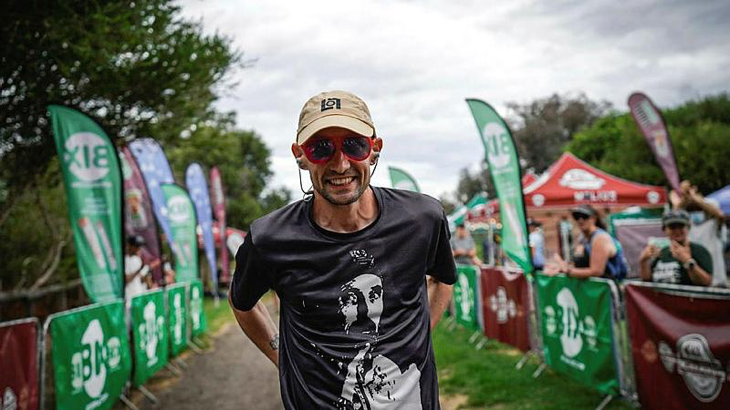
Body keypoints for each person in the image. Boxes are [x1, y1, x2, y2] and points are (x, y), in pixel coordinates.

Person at [228, 90, 456, 409]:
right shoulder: (270, 238)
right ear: (300, 155)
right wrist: (282, 357)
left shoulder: (423, 219)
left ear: (374, 149)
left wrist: (418, 337)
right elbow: (243, 302)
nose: (340, 163)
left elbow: (443, 278)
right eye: (321, 148)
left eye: (354, 144)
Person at [546, 204, 627, 279]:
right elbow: (579, 264)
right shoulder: (583, 239)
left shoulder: (600, 238)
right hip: (592, 290)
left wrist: (568, 271)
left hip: (607, 290)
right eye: (577, 217)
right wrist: (560, 267)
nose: (580, 220)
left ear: (594, 218)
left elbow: (596, 271)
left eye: (584, 216)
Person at [671, 180, 727, 287]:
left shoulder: (714, 226)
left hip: (717, 283)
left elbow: (720, 215)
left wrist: (694, 197)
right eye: (693, 209)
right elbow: (675, 213)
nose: (696, 212)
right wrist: (686, 197)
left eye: (699, 209)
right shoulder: (687, 227)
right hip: (697, 282)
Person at [639, 210, 713, 286]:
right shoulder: (663, 252)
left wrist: (688, 262)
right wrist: (643, 261)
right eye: (672, 227)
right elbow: (648, 282)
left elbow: (706, 282)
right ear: (664, 230)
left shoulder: (699, 251)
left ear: (688, 228)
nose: (677, 230)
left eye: (681, 226)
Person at [124, 235, 150, 304]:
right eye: (137, 246)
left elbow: (141, 278)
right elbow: (127, 279)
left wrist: (146, 270)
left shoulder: (137, 259)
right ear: (130, 245)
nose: (139, 249)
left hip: (138, 295)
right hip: (128, 298)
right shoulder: (124, 260)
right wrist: (139, 269)